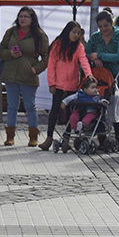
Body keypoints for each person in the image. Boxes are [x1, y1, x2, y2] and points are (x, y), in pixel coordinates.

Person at [0, 7, 50, 147]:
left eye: (26, 16)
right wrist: (10, 54)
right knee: (12, 106)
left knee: (30, 106)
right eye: (21, 16)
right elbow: (0, 50)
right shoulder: (11, 32)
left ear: (32, 19)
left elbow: (46, 57)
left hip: (28, 75)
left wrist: (35, 69)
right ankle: (10, 136)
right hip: (11, 74)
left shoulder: (39, 35)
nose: (23, 19)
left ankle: (33, 137)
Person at [40, 21, 94, 151]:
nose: (76, 35)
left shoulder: (79, 47)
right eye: (73, 32)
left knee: (71, 112)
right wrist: (51, 83)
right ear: (67, 32)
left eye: (78, 33)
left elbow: (84, 61)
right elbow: (51, 65)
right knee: (55, 111)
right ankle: (49, 137)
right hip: (58, 85)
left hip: (72, 85)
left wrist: (89, 75)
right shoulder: (57, 45)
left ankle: (67, 138)